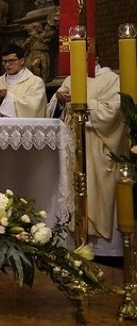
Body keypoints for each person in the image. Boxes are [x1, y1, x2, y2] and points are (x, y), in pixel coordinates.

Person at [47, 59, 126, 256]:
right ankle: (75, 242)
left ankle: (104, 250)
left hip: (96, 148)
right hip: (72, 146)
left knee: (95, 191)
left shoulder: (110, 79)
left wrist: (84, 103)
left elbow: (114, 111)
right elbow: (53, 112)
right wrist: (59, 100)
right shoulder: (70, 79)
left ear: (95, 59)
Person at [0, 44, 47, 118]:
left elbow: (33, 107)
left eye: (11, 60)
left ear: (22, 61)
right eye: (5, 61)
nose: (7, 64)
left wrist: (6, 97)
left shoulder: (35, 82)